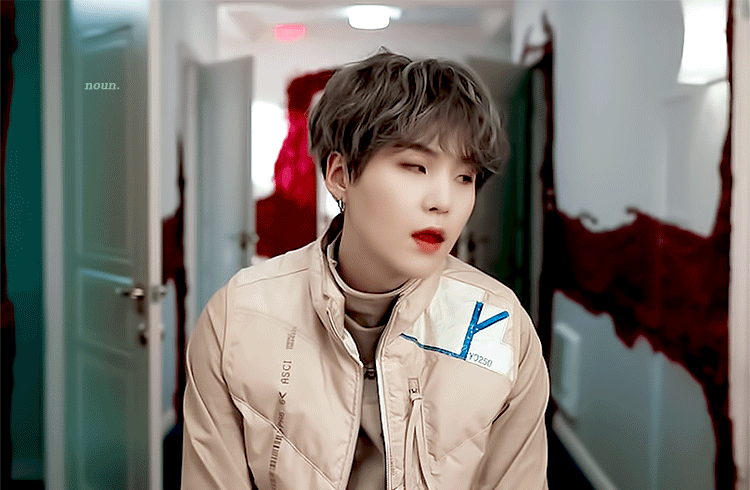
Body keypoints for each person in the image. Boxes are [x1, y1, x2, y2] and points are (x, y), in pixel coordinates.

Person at [182, 49, 549, 490]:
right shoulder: (237, 319)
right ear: (340, 175)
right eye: (416, 167)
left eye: (464, 178)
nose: (443, 202)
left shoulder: (503, 326)